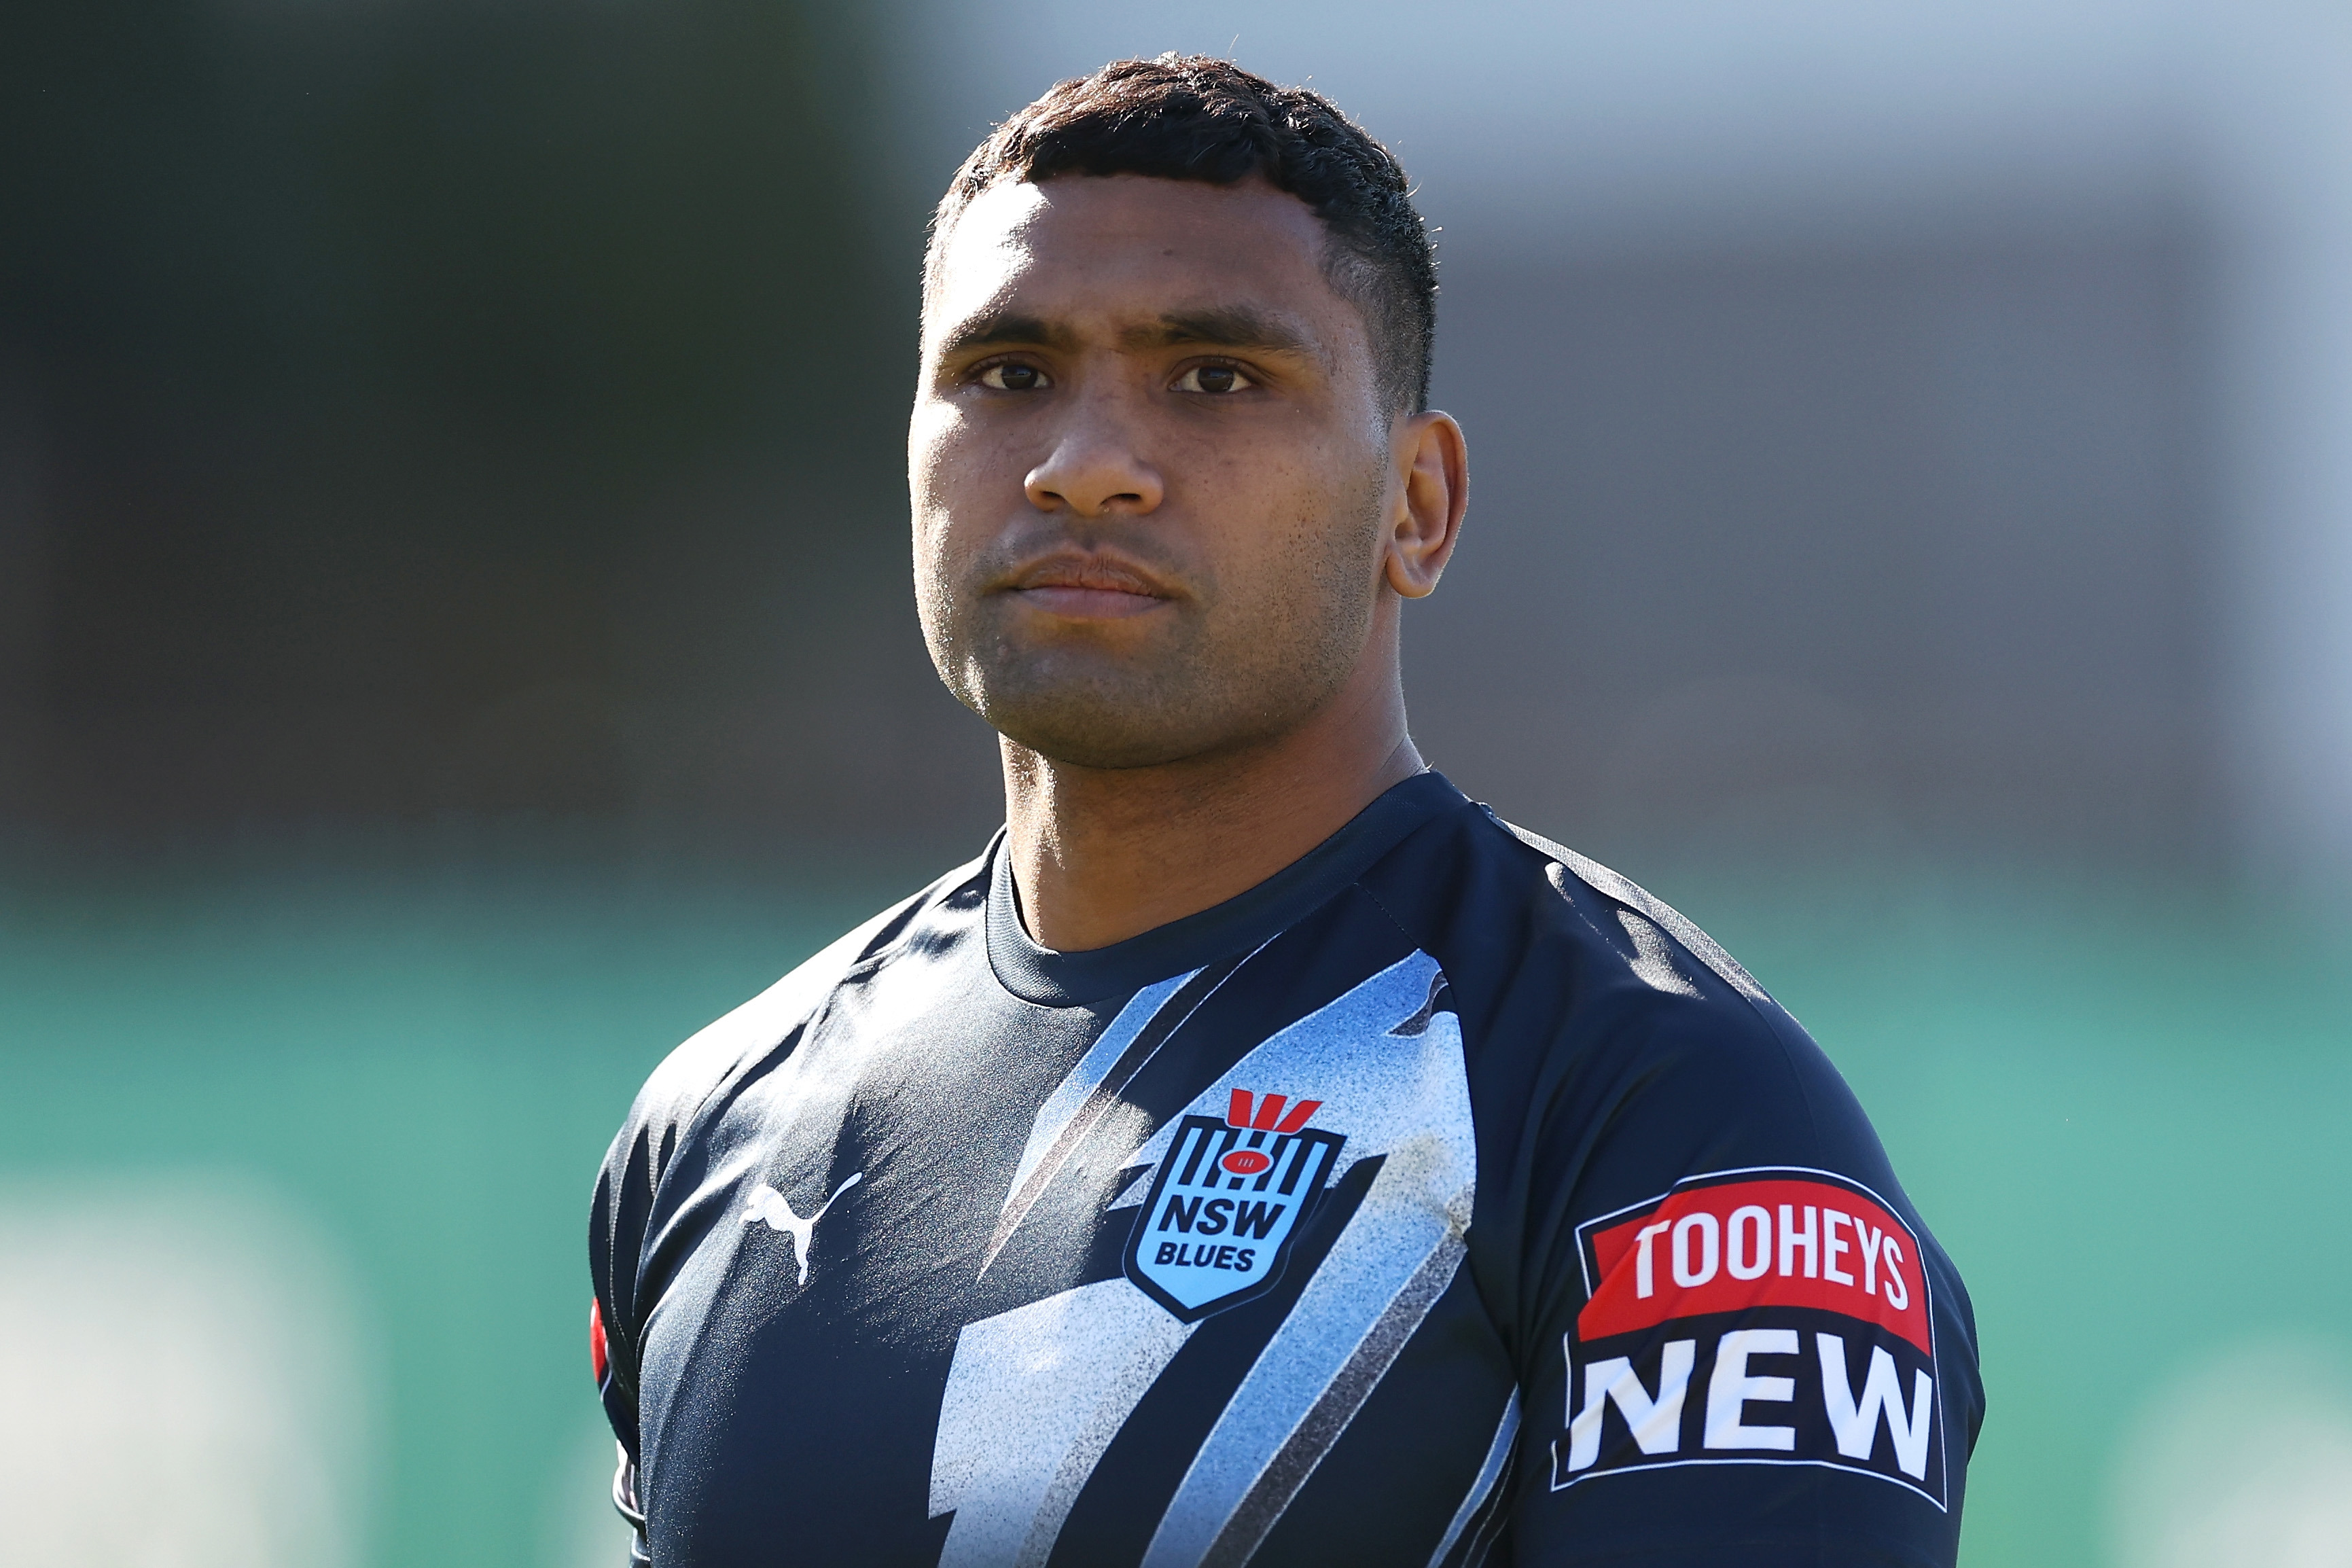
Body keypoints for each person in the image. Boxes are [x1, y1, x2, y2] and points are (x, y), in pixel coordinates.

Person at [588, 54, 1982, 1567]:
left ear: (1418, 504)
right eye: (1007, 374)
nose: (1084, 464)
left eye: (1215, 376)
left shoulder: (1664, 1111)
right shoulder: (717, 1125)